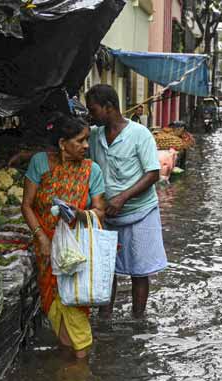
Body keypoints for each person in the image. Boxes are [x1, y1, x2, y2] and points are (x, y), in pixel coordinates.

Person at [21, 114, 108, 358]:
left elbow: (100, 211)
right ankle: (69, 364)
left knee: (75, 304)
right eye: (80, 140)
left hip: (76, 251)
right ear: (62, 143)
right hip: (46, 250)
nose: (86, 146)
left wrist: (79, 214)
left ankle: (79, 369)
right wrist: (42, 239)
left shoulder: (92, 170)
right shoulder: (40, 163)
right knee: (53, 304)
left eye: (87, 140)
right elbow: (26, 205)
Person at [85, 84, 166, 319]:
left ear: (109, 107)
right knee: (106, 269)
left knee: (139, 270)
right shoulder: (94, 135)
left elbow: (153, 173)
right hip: (108, 215)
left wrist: (122, 197)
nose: (91, 115)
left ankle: (138, 319)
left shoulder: (140, 134)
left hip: (140, 212)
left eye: (93, 110)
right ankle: (105, 318)